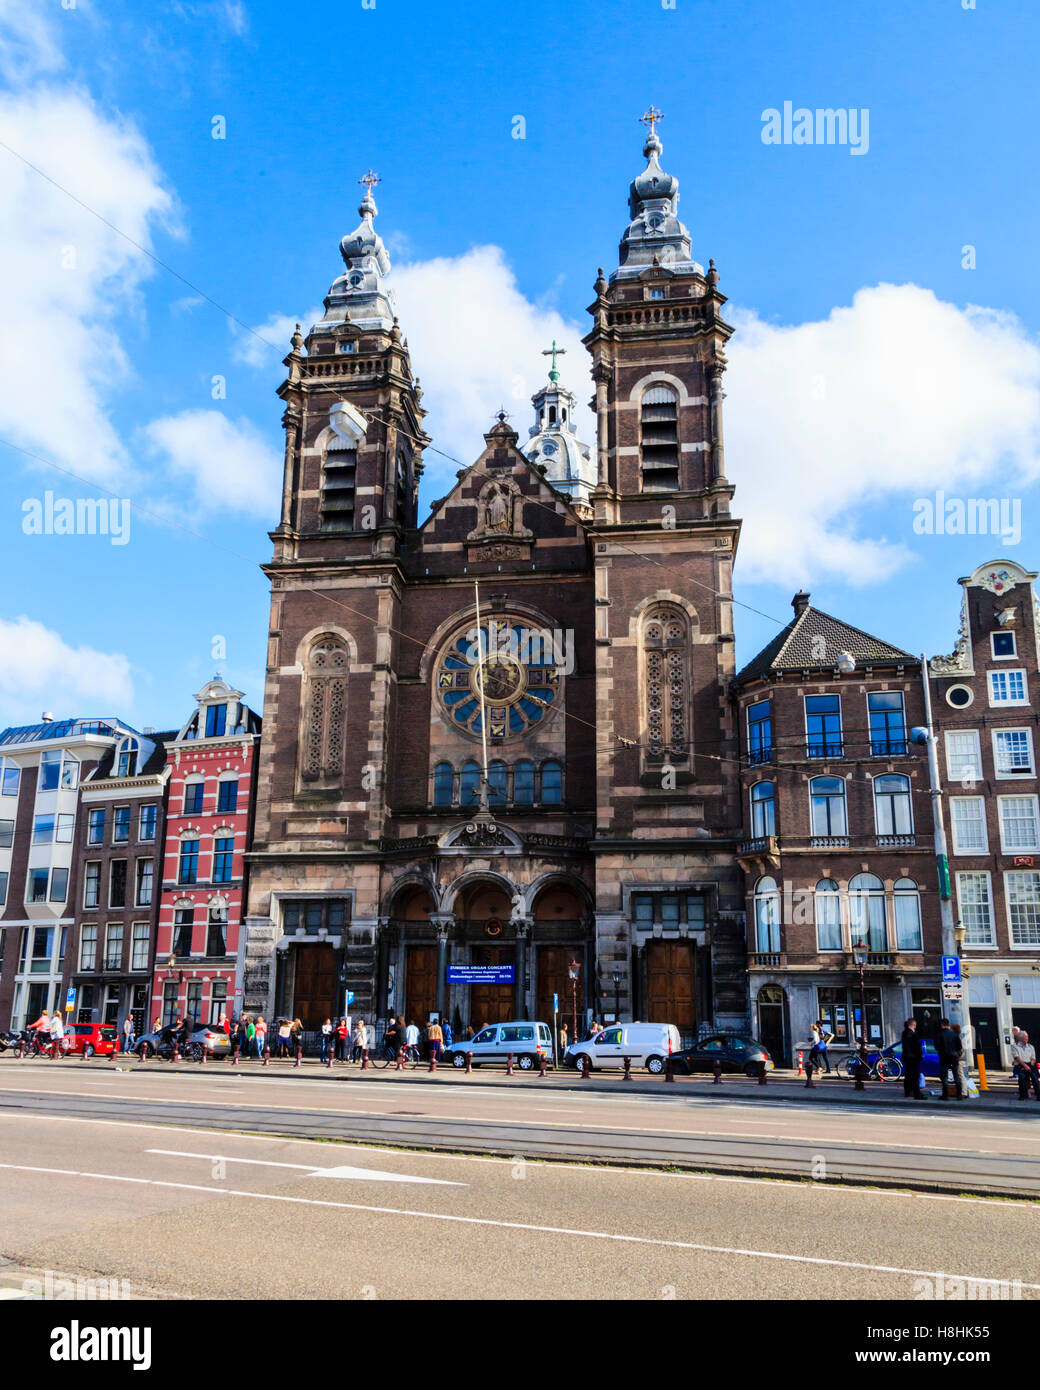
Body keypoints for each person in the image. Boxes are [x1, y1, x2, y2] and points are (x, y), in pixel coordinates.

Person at [937, 1017, 963, 1100]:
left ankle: (945, 1095)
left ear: (942, 1025)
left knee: (944, 1077)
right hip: (954, 1057)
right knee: (956, 1076)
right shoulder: (954, 1034)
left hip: (944, 1057)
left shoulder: (940, 1034)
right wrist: (957, 1054)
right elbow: (959, 1047)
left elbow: (937, 1046)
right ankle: (959, 1095)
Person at [1010, 1029, 1040, 1101]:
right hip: (1021, 1065)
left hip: (1030, 1064)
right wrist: (1025, 1066)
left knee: (1035, 1079)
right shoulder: (1014, 1046)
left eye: (1027, 1037)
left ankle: (1038, 1095)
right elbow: (1016, 1057)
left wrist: (1030, 1065)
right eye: (1025, 1037)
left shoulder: (1030, 1046)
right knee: (1022, 1080)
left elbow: (1033, 1058)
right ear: (1020, 1038)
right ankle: (1023, 1096)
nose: (1027, 1038)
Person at [901, 1017, 925, 1099]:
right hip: (914, 1057)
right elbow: (917, 1047)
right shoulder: (913, 1034)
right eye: (915, 1025)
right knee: (915, 1076)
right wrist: (920, 1055)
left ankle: (907, 1092)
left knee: (908, 1075)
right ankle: (917, 1093)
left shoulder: (904, 1033)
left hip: (907, 1057)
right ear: (913, 1025)